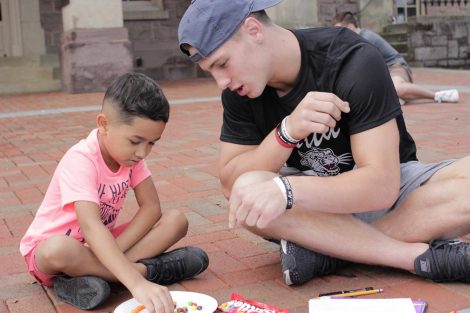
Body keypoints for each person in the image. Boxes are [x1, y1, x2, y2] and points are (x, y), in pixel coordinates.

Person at [177, 0, 470, 287]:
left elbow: (381, 185)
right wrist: (286, 133)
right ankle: (414, 257)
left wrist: (286, 190)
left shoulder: (351, 59)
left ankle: (327, 252)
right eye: (211, 71)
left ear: (253, 30)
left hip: (391, 193)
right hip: (311, 207)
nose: (221, 82)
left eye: (222, 64)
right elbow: (231, 182)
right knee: (246, 191)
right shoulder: (238, 90)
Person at [19, 73, 209, 311]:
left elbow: (151, 208)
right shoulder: (82, 159)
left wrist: (114, 252)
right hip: (52, 255)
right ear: (104, 124)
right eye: (136, 141)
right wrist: (137, 281)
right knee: (59, 248)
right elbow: (91, 226)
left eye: (152, 143)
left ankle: (93, 279)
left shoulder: (131, 158)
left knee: (176, 221)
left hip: (101, 246)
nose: (142, 152)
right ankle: (150, 270)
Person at [332, 11, 459, 105]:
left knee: (397, 88)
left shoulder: (365, 38)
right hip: (387, 73)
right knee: (402, 96)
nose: (336, 36)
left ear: (349, 27)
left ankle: (438, 95)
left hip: (397, 67)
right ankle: (399, 95)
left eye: (339, 31)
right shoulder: (358, 39)